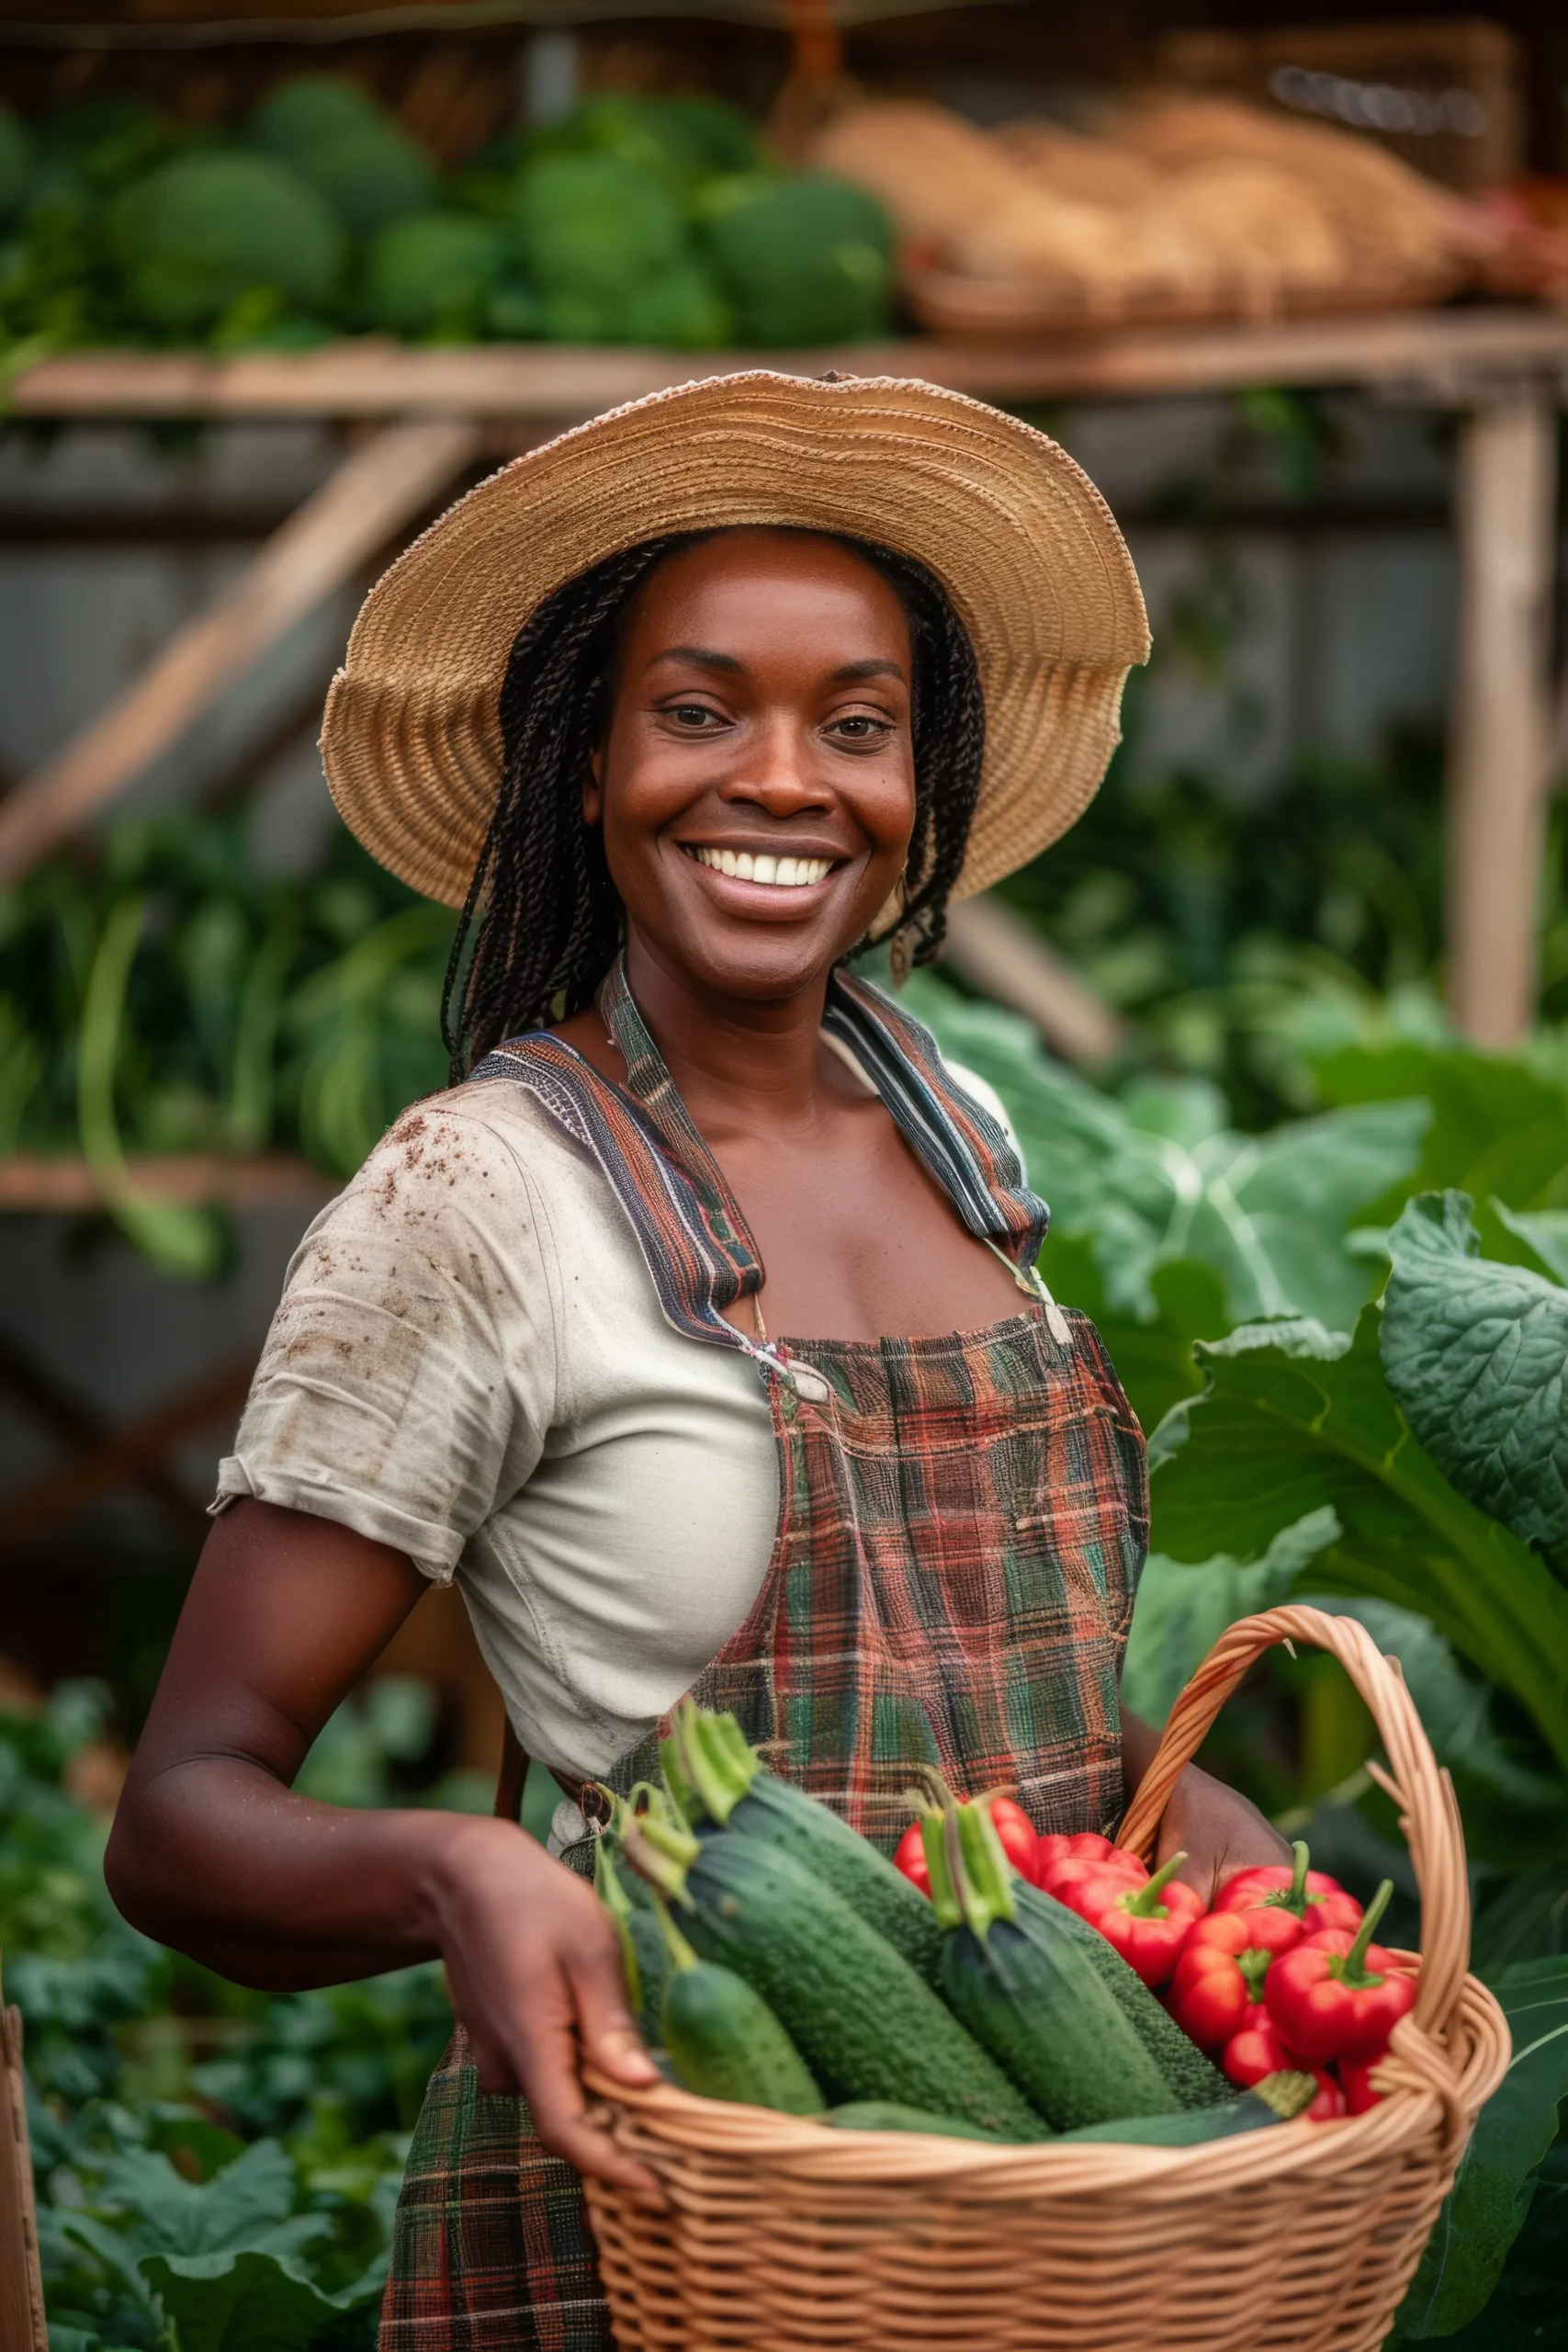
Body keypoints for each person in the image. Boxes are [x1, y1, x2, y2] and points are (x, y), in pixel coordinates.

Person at [106, 371, 1288, 2347]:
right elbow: (180, 1815)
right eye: (695, 707)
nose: (781, 779)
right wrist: (455, 1876)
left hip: (1061, 2205)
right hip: (670, 2215)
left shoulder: (968, 1135)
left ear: (925, 779)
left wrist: (1188, 1824)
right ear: (582, 758)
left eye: (857, 724)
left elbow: (1024, 1717)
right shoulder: (473, 1196)